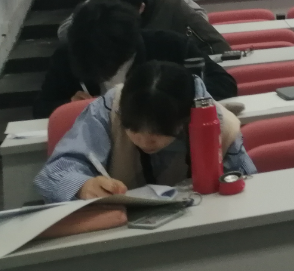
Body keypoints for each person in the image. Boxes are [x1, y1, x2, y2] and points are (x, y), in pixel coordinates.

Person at [35, 60, 255, 203]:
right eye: (132, 128)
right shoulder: (109, 109)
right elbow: (55, 171)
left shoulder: (219, 124)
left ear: (184, 118)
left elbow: (249, 184)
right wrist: (83, 185)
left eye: (159, 132)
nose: (144, 141)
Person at [36, 0, 237, 119]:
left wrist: (164, 95)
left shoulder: (170, 45)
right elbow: (41, 108)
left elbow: (224, 84)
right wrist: (69, 105)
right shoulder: (69, 54)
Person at [59, 0, 228, 55]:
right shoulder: (93, 11)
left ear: (140, 8)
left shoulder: (170, 36)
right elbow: (64, 33)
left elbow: (216, 44)